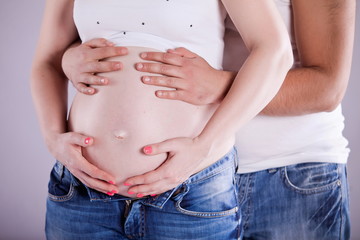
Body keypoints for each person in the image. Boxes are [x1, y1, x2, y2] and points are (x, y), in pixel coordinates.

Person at [62, 0, 355, 239]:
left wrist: (217, 86)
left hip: (285, 168)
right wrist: (69, 58)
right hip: (198, 171)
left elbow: (326, 87)